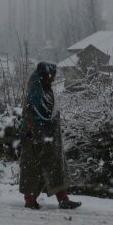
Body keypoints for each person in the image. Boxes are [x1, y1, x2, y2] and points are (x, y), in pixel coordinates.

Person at [19, 61, 81, 210]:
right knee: (35, 169)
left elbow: (50, 112)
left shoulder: (45, 88)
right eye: (51, 75)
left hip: (49, 135)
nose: (53, 78)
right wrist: (39, 135)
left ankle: (63, 199)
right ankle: (30, 200)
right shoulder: (36, 91)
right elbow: (34, 115)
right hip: (34, 136)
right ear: (44, 75)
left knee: (55, 167)